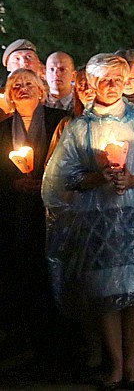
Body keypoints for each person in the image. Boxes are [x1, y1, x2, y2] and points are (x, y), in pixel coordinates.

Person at [43, 53, 134, 389]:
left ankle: (133, 365)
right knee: (106, 289)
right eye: (104, 80)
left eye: (118, 78)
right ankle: (115, 365)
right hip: (97, 220)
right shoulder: (79, 128)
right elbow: (64, 177)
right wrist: (98, 177)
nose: (112, 86)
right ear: (91, 84)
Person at [0, 69, 68, 365]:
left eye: (29, 84)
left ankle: (60, 344)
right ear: (10, 94)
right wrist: (13, 183)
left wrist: (45, 181)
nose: (23, 89)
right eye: (17, 85)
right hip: (16, 214)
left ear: (42, 90)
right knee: (24, 276)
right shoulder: (2, 130)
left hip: (54, 210)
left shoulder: (58, 121)